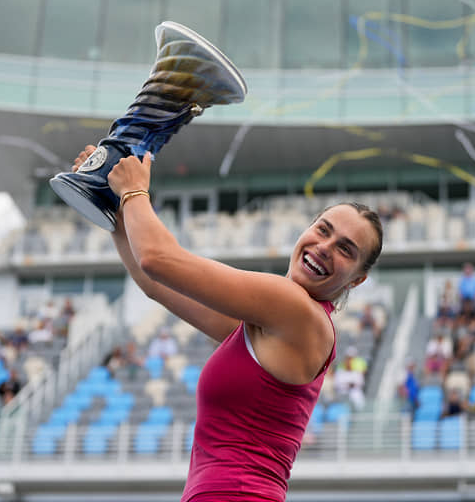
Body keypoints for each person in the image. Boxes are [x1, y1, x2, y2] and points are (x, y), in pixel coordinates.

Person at [72, 145, 383, 502]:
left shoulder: (293, 306)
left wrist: (134, 190)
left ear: (357, 280)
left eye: (346, 249)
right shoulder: (272, 325)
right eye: (322, 229)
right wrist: (114, 209)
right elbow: (155, 283)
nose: (325, 246)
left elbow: (159, 259)